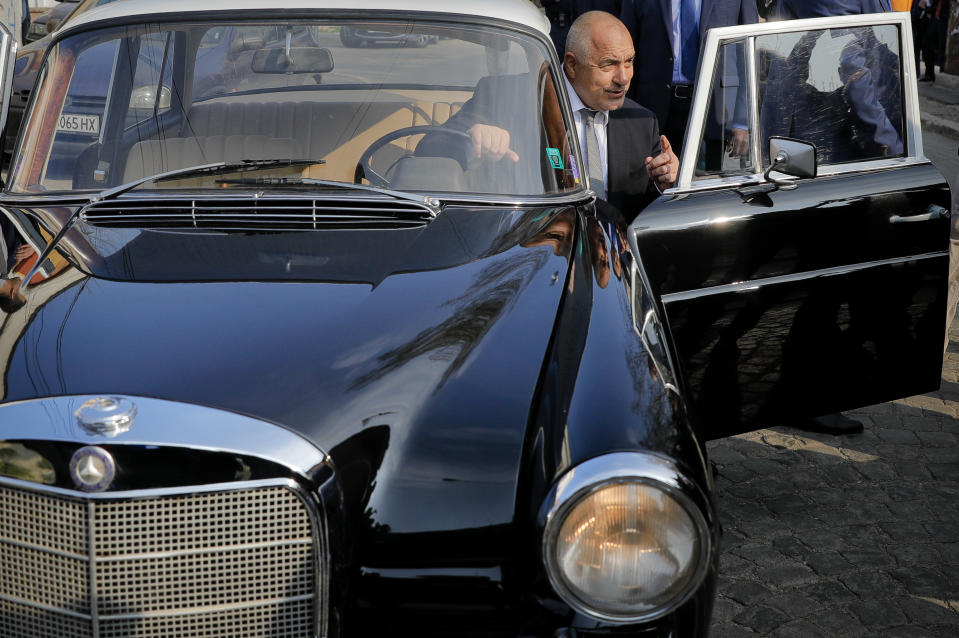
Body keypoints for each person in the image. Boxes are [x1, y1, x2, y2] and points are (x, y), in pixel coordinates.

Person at [421, 11, 678, 222]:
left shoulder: (641, 122)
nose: (623, 78)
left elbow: (645, 214)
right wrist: (472, 137)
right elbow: (429, 148)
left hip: (609, 267)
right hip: (527, 253)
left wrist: (665, 184)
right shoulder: (505, 96)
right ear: (571, 65)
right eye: (608, 65)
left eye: (629, 62)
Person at [619, 0, 758, 161]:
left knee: (713, 183)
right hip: (654, 111)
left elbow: (749, 54)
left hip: (718, 111)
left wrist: (743, 121)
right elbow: (625, 52)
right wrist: (625, 116)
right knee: (657, 181)